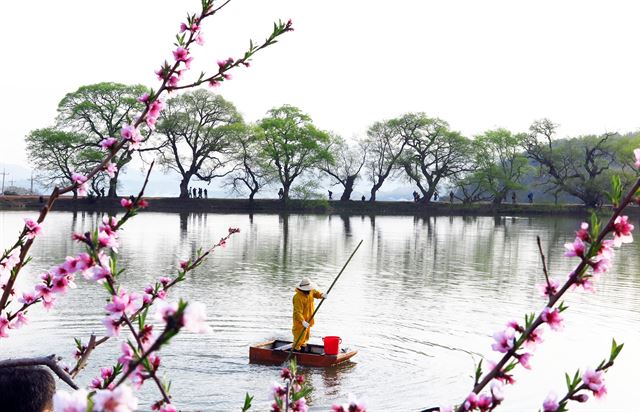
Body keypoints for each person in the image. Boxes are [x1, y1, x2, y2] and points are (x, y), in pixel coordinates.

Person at [292, 278, 327, 351]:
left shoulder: (310, 291)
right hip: (300, 321)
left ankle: (303, 348)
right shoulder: (297, 297)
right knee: (299, 337)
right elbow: (297, 312)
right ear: (302, 289)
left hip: (309, 319)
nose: (308, 291)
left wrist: (321, 295)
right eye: (306, 290)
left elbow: (316, 293)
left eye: (309, 289)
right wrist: (302, 321)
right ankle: (296, 350)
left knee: (306, 336)